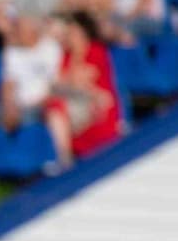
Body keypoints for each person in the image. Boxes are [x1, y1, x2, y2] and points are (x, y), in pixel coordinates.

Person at [42, 13, 122, 169]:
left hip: (97, 109)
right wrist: (74, 83)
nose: (69, 36)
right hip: (79, 104)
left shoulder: (96, 51)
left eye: (73, 32)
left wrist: (71, 82)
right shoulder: (65, 56)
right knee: (54, 108)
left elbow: (85, 78)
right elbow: (61, 84)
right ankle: (65, 160)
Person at [0, 11, 61, 130]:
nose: (15, 32)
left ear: (32, 31)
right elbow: (7, 85)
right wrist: (9, 107)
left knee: (27, 121)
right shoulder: (12, 51)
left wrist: (37, 104)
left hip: (38, 107)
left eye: (19, 29)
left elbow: (53, 86)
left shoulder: (50, 48)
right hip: (14, 106)